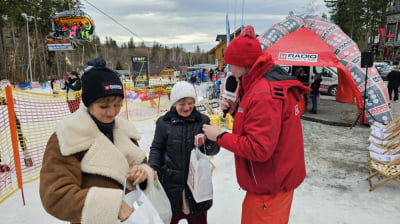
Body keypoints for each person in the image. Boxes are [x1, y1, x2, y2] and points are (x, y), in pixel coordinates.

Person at [202, 25, 310, 224]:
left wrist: (219, 136)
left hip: (269, 189)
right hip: (275, 181)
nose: (229, 69)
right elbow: (265, 123)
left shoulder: (263, 94)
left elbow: (259, 148)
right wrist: (236, 110)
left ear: (243, 63)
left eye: (231, 64)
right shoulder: (263, 83)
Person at [39, 66, 154, 223]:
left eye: (117, 104)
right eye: (104, 106)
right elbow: (55, 195)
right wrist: (112, 206)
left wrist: (142, 175)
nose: (112, 112)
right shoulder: (68, 136)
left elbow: (142, 166)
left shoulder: (126, 132)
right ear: (88, 103)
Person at [149, 81, 220, 224]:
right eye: (182, 103)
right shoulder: (164, 123)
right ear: (174, 103)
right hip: (171, 184)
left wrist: (208, 141)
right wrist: (153, 166)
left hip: (196, 185)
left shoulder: (203, 120)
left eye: (190, 102)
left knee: (198, 219)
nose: (186, 107)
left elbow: (215, 149)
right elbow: (157, 148)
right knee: (171, 219)